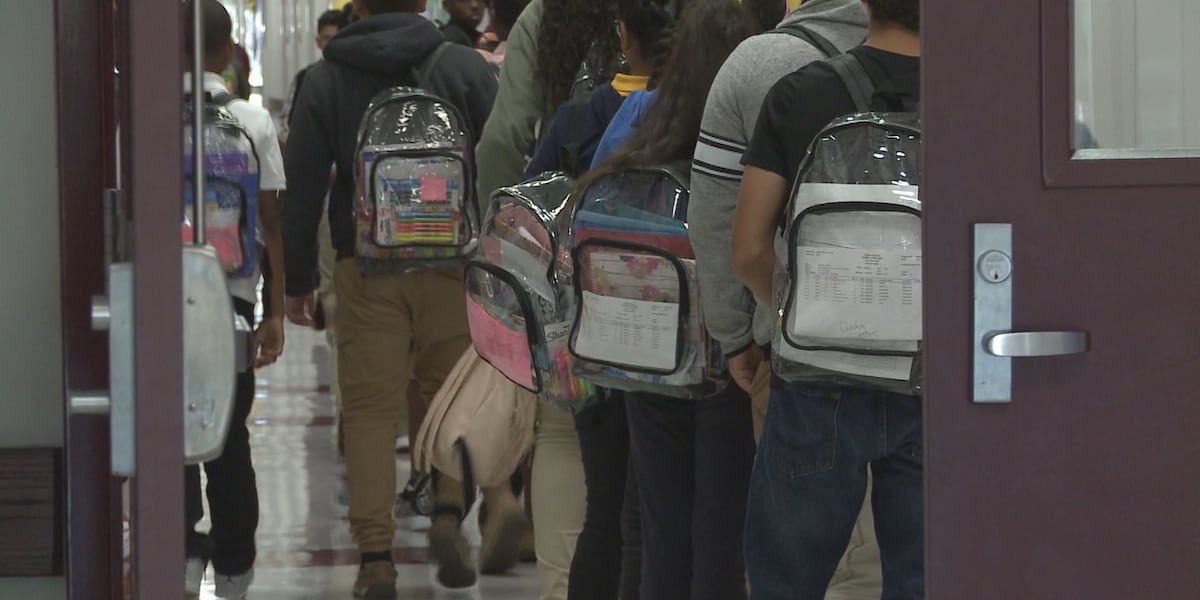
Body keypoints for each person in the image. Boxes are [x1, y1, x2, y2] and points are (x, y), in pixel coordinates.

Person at [281, 0, 497, 597]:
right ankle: (451, 514)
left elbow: (300, 185)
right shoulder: (461, 66)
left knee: (371, 413)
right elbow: (502, 157)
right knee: (449, 398)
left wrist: (297, 280)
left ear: (360, 7)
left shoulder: (326, 76)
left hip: (365, 265)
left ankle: (376, 557)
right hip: (450, 263)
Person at [688, 0, 883, 596]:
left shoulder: (762, 62)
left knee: (806, 561)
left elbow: (722, 225)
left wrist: (738, 333)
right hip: (936, 361)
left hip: (799, 351)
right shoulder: (963, 57)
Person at [731, 0, 922, 598]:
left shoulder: (800, 93)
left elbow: (747, 248)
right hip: (938, 378)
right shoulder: (986, 95)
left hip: (819, 376)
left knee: (786, 579)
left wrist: (793, 312)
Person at [578, 1, 761, 598]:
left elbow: (592, 215)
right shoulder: (750, 127)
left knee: (659, 524)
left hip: (647, 353)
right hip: (731, 355)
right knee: (722, 524)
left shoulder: (640, 120)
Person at [519, 0, 675, 596]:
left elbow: (532, 210)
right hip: (680, 340)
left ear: (623, 34)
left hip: (595, 328)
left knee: (602, 499)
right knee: (654, 511)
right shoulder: (704, 107)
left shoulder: (584, 114)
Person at [471, 1, 623, 599]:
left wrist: (508, 248)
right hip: (665, 261)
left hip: (568, 260)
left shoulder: (546, 16)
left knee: (562, 427)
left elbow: (502, 141)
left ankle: (561, 588)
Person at [182, 1, 287, 599]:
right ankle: (235, 572)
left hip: (162, 304)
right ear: (228, 52)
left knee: (166, 433)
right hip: (235, 308)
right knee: (230, 437)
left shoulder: (140, 118)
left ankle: (181, 552)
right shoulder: (252, 121)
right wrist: (274, 313)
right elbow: (270, 222)